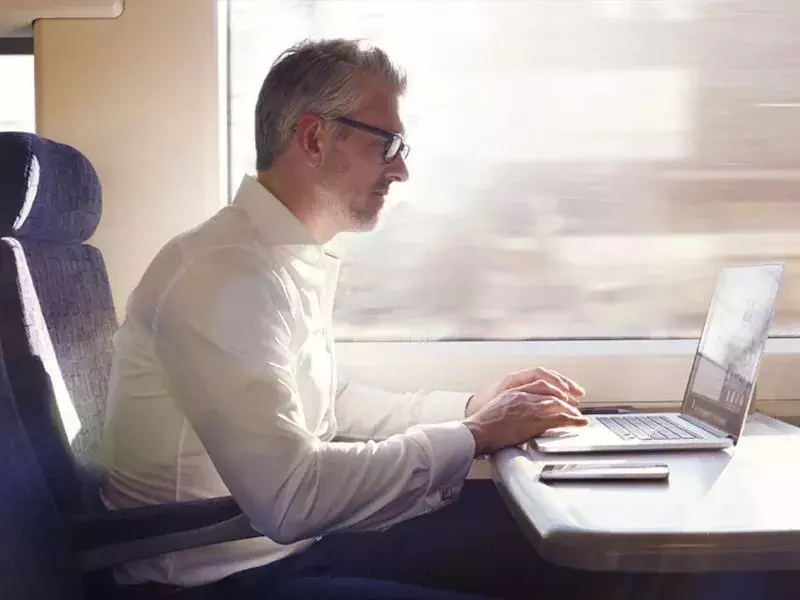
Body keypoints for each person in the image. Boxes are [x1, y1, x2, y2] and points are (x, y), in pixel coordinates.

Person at [100, 38, 588, 599]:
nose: (401, 169)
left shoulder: (278, 255)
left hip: (285, 550)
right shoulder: (221, 273)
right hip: (217, 579)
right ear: (314, 137)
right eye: (389, 144)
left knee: (546, 558)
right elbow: (291, 497)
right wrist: (474, 435)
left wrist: (472, 409)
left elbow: (328, 403)